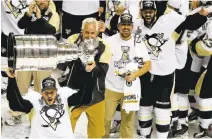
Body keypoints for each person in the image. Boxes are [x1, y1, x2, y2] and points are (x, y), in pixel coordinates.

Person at [137, 0, 210, 138]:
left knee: (162, 109)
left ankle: (170, 131)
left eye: (150, 11)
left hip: (165, 73)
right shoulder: (138, 24)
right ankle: (144, 135)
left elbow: (189, 22)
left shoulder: (170, 19)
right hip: (145, 72)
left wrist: (202, 15)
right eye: (145, 11)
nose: (148, 14)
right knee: (144, 107)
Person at [56, 17, 111, 138]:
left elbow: (103, 71)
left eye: (93, 33)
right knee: (64, 131)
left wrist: (95, 67)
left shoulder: (105, 46)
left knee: (97, 134)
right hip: (73, 95)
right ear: (82, 31)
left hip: (95, 96)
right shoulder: (73, 39)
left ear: (97, 32)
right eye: (87, 32)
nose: (90, 36)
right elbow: (63, 63)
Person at [104, 13, 151, 138]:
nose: (126, 27)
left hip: (131, 88)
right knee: (106, 119)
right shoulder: (110, 41)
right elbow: (102, 62)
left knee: (128, 123)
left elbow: (147, 64)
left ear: (132, 26)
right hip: (111, 87)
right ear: (118, 26)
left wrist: (135, 74)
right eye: (123, 24)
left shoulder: (138, 41)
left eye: (128, 25)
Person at [6, 68, 76, 138]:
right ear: (41, 93)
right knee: (22, 85)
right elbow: (15, 105)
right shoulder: (34, 101)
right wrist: (11, 80)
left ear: (56, 91)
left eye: (52, 92)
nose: (49, 95)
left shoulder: (65, 99)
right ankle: (17, 116)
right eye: (46, 92)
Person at [16, 0, 60, 94]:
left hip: (44, 55)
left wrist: (40, 18)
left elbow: (51, 31)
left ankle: (40, 107)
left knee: (41, 87)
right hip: (27, 54)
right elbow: (20, 25)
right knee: (21, 85)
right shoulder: (29, 12)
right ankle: (20, 107)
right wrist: (28, 14)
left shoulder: (53, 14)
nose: (42, 2)